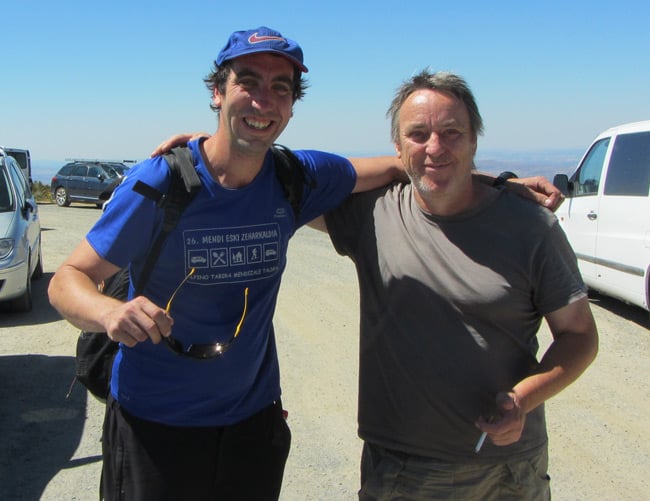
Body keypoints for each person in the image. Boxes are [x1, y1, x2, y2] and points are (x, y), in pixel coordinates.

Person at [48, 26, 404, 501]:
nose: (264, 100)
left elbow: (403, 165)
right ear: (217, 93)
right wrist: (109, 312)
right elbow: (68, 280)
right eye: (248, 82)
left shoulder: (294, 175)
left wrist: (500, 186)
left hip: (252, 426)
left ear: (292, 106)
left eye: (281, 88)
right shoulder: (162, 182)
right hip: (155, 425)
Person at [314, 70, 598, 499]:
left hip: (509, 469)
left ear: (474, 141)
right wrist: (208, 149)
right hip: (404, 467)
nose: (435, 147)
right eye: (418, 134)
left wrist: (524, 398)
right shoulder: (371, 214)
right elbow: (279, 184)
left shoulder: (530, 227)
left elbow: (579, 335)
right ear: (396, 146)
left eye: (452, 133)